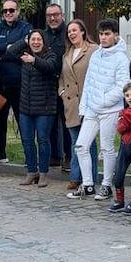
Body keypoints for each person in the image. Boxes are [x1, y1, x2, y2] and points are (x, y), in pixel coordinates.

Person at [72, 19, 127, 200]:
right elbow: (88, 82)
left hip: (110, 110)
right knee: (81, 146)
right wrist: (84, 106)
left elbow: (122, 86)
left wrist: (104, 100)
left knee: (107, 148)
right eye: (102, 34)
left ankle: (106, 185)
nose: (104, 37)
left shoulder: (121, 58)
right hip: (92, 109)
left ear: (115, 35)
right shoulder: (96, 54)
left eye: (107, 34)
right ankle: (88, 184)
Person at [7, 27, 60, 186]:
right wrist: (24, 40)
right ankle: (31, 171)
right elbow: (10, 53)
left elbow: (49, 67)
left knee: (43, 140)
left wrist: (34, 60)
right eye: (33, 40)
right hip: (26, 107)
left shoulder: (50, 55)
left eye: (39, 40)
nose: (36, 42)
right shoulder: (24, 54)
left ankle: (43, 173)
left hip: (44, 107)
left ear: (44, 42)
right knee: (27, 140)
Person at [0, 0, 33, 163]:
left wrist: (3, 53)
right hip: (0, 84)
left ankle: (29, 156)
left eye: (11, 10)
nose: (8, 13)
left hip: (20, 84)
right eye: (5, 10)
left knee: (23, 121)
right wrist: (11, 47)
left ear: (18, 11)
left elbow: (27, 45)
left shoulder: (26, 27)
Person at [60, 20, 95, 194]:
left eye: (74, 30)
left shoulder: (93, 50)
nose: (71, 34)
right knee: (76, 142)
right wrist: (61, 92)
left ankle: (91, 178)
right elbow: (62, 78)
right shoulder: (67, 54)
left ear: (82, 31)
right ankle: (75, 177)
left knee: (89, 143)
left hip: (88, 103)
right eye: (69, 32)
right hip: (71, 103)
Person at [108, 82, 131, 213]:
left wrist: (124, 122)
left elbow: (122, 127)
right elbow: (119, 129)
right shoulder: (123, 112)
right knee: (118, 175)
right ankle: (119, 201)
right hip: (125, 146)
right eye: (127, 95)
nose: (130, 98)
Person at [41, 3, 69, 171]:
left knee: (67, 123)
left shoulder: (69, 33)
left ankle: (68, 156)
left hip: (66, 83)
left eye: (56, 14)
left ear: (62, 15)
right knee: (49, 121)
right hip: (48, 84)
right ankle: (54, 156)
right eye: (49, 15)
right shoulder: (42, 35)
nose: (52, 18)